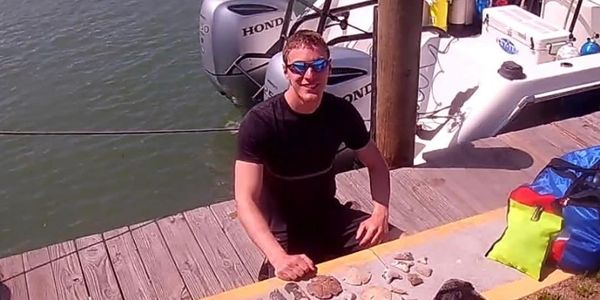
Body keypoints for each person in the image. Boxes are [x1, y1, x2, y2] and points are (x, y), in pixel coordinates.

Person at [234, 29, 391, 282]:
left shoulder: (341, 112)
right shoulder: (260, 122)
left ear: (329, 68)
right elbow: (245, 201)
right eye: (299, 67)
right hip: (285, 231)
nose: (310, 75)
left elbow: (377, 165)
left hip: (329, 215)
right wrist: (278, 257)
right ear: (286, 71)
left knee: (402, 245)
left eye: (319, 65)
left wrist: (380, 212)